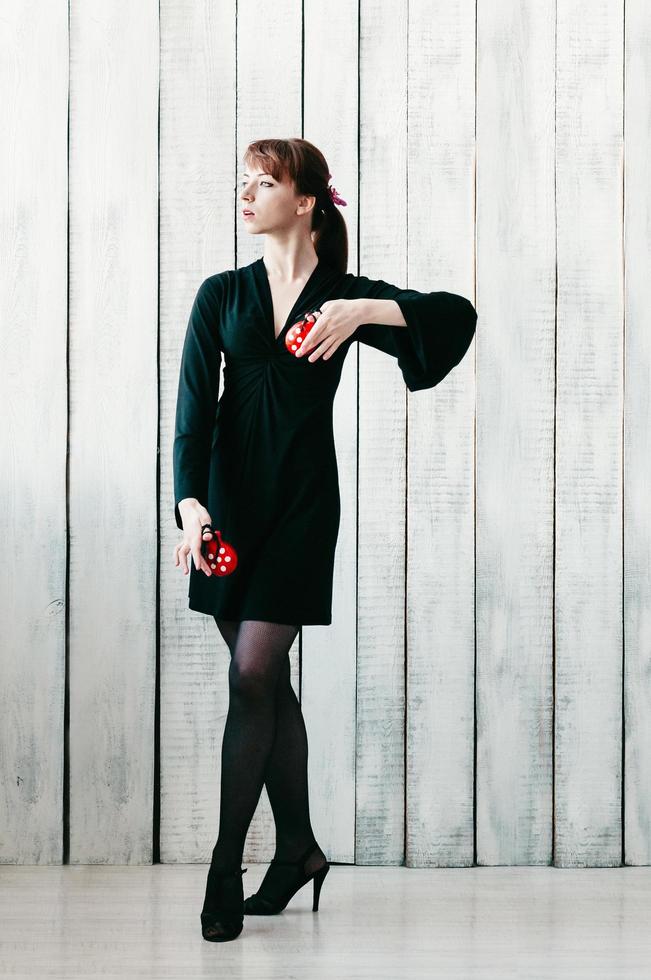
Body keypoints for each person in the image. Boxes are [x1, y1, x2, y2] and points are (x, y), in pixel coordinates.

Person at [172, 138, 477, 942]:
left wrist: (363, 311)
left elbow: (456, 316)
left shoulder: (342, 296)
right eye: (243, 180)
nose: (246, 193)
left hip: (304, 507)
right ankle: (301, 849)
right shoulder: (220, 293)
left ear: (305, 200)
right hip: (229, 510)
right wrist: (191, 508)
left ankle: (223, 866)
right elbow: (192, 411)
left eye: (263, 182)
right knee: (264, 686)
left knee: (251, 675)